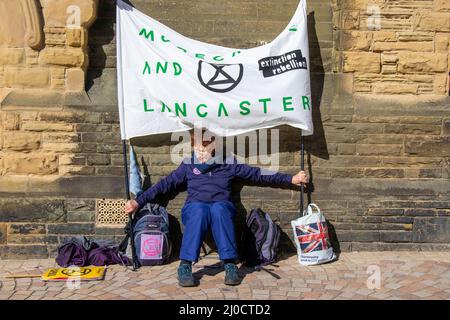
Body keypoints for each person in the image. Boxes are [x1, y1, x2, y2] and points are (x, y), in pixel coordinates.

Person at [125, 130, 308, 287]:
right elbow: (163, 185)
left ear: (215, 144)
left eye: (205, 145)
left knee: (219, 209)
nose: (201, 150)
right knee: (200, 210)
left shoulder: (228, 163)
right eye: (197, 146)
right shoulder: (188, 165)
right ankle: (185, 265)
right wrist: (137, 202)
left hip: (222, 207)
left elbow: (258, 174)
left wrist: (290, 179)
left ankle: (229, 264)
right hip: (194, 209)